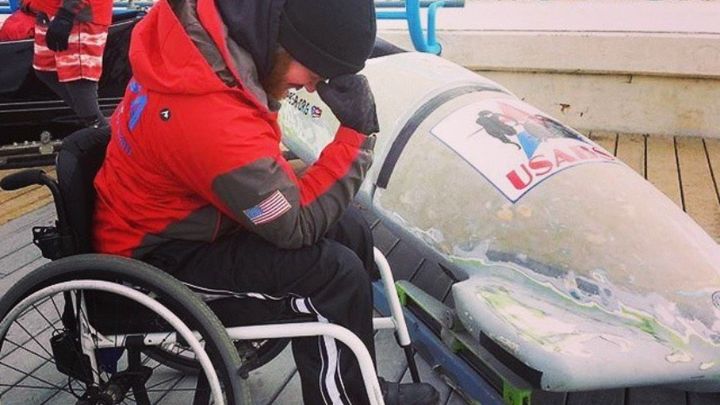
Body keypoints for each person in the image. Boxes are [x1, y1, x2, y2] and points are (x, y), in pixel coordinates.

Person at [92, 0, 440, 403]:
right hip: (152, 263)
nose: (312, 86)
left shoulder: (207, 49)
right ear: (276, 40)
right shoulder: (211, 117)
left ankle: (355, 382)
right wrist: (356, 137)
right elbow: (295, 225)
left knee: (350, 229)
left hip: (189, 219)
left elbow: (271, 187)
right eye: (314, 70)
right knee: (332, 277)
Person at [22, 0, 110, 127]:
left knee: (78, 79)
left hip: (77, 15)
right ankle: (92, 122)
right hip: (49, 10)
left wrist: (66, 14)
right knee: (45, 70)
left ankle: (100, 130)